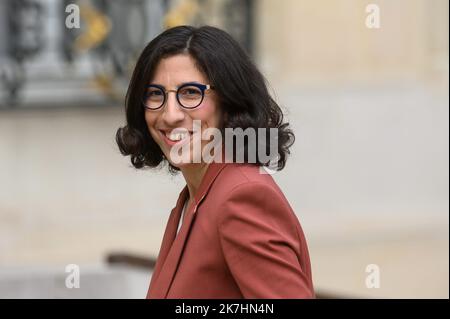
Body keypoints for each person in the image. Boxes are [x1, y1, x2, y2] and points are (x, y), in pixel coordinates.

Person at [116, 25, 314, 298]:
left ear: (228, 102)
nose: (170, 114)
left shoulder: (242, 197)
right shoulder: (194, 196)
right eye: (155, 94)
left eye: (190, 93)